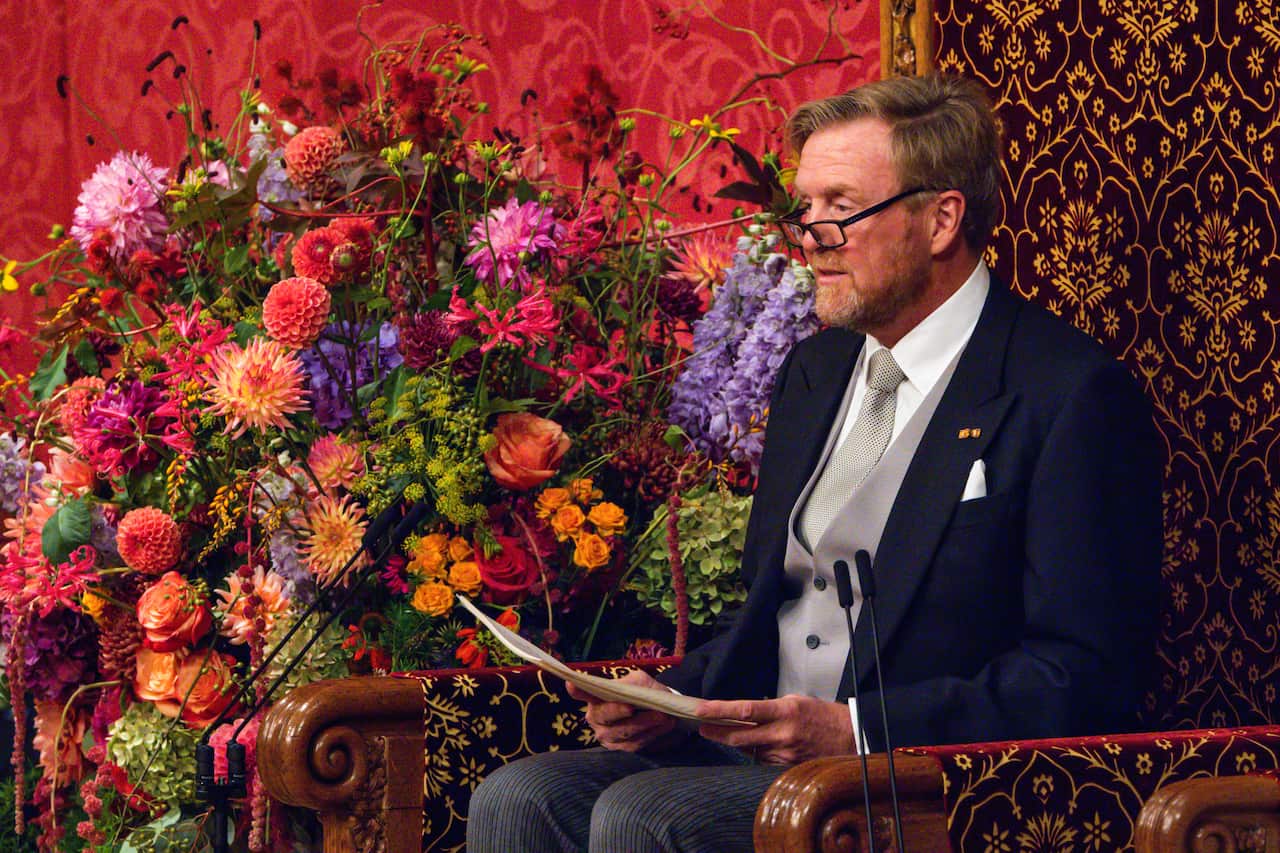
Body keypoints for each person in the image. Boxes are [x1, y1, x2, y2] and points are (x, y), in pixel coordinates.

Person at [467, 73, 1162, 852]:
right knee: (518, 797)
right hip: (759, 751)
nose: (809, 233)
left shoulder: (1067, 391)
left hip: (914, 780)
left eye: (841, 206)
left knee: (643, 819)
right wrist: (674, 698)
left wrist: (857, 729)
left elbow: (1086, 673)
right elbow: (775, 610)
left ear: (940, 220)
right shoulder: (815, 371)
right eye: (806, 207)